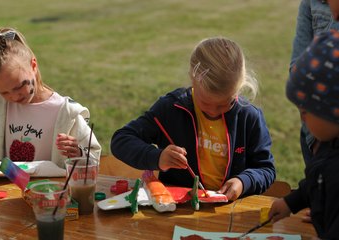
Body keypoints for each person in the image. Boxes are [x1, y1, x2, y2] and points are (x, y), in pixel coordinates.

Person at [111, 36, 276, 201]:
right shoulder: (171, 109)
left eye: (226, 103)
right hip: (174, 209)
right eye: (205, 102)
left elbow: (266, 169)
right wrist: (158, 157)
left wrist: (243, 181)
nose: (214, 111)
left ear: (239, 89)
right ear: (192, 79)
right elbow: (121, 140)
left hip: (229, 213)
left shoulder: (249, 117)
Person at [0, 27, 101, 168]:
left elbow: (94, 160)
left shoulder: (67, 113)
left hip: (49, 188)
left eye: (18, 87)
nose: (13, 96)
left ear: (33, 65)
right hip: (8, 188)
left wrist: (77, 153)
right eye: (3, 92)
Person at [269, 30, 339, 238]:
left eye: (305, 112)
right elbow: (317, 180)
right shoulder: (329, 143)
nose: (302, 120)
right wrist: (292, 201)